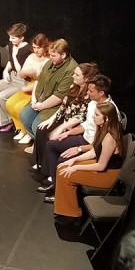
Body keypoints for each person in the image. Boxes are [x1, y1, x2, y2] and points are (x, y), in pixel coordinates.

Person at [40, 74, 120, 203]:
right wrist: (68, 133)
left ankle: (60, 192)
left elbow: (99, 146)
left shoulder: (109, 112)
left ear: (101, 92)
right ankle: (56, 184)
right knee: (51, 144)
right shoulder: (93, 104)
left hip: (92, 145)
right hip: (85, 139)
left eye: (91, 91)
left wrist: (78, 149)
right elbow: (86, 125)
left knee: (63, 159)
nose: (87, 92)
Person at [31, 62, 99, 200]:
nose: (73, 76)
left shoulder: (89, 96)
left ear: (85, 79)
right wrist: (51, 120)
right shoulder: (73, 87)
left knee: (51, 138)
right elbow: (63, 107)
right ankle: (45, 170)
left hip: (75, 125)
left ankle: (52, 176)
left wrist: (64, 128)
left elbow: (82, 117)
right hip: (65, 120)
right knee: (42, 130)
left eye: (77, 74)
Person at [53, 102, 124, 227]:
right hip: (101, 167)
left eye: (96, 115)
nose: (93, 117)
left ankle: (72, 215)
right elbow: (94, 151)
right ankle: (66, 208)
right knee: (64, 166)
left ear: (106, 118)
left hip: (109, 175)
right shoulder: (102, 129)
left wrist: (76, 167)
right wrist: (73, 160)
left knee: (65, 174)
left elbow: (101, 166)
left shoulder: (110, 138)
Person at [18, 38, 78, 152]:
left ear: (63, 55)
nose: (50, 57)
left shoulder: (71, 69)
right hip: (40, 100)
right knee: (24, 115)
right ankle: (37, 141)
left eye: (53, 55)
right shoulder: (51, 62)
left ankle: (40, 147)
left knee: (38, 125)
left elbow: (59, 96)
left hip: (54, 105)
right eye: (50, 55)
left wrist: (42, 106)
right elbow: (38, 80)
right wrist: (34, 99)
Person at [0, 23, 32, 131]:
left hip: (22, 81)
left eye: (13, 38)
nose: (10, 40)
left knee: (1, 97)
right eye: (10, 37)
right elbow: (10, 61)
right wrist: (6, 71)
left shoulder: (28, 50)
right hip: (12, 76)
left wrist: (15, 56)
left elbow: (22, 72)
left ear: (21, 38)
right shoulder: (12, 45)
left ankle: (9, 120)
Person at [6, 34, 50, 143]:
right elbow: (21, 74)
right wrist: (25, 73)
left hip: (39, 88)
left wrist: (32, 79)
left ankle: (28, 132)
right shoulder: (31, 57)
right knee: (10, 103)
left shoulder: (48, 60)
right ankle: (21, 129)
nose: (36, 50)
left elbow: (42, 81)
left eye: (38, 48)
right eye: (34, 47)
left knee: (20, 107)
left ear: (45, 47)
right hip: (29, 84)